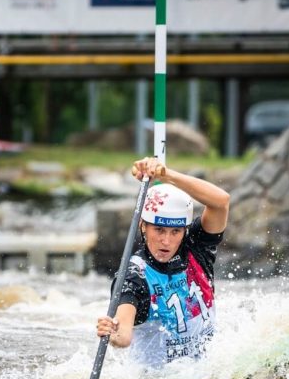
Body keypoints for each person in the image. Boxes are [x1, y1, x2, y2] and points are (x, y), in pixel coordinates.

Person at [96, 157, 231, 366]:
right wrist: (112, 332)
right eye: (159, 230)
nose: (166, 241)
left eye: (175, 231)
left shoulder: (196, 246)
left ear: (184, 230)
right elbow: (123, 336)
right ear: (143, 226)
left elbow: (221, 201)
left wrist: (167, 175)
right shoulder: (133, 276)